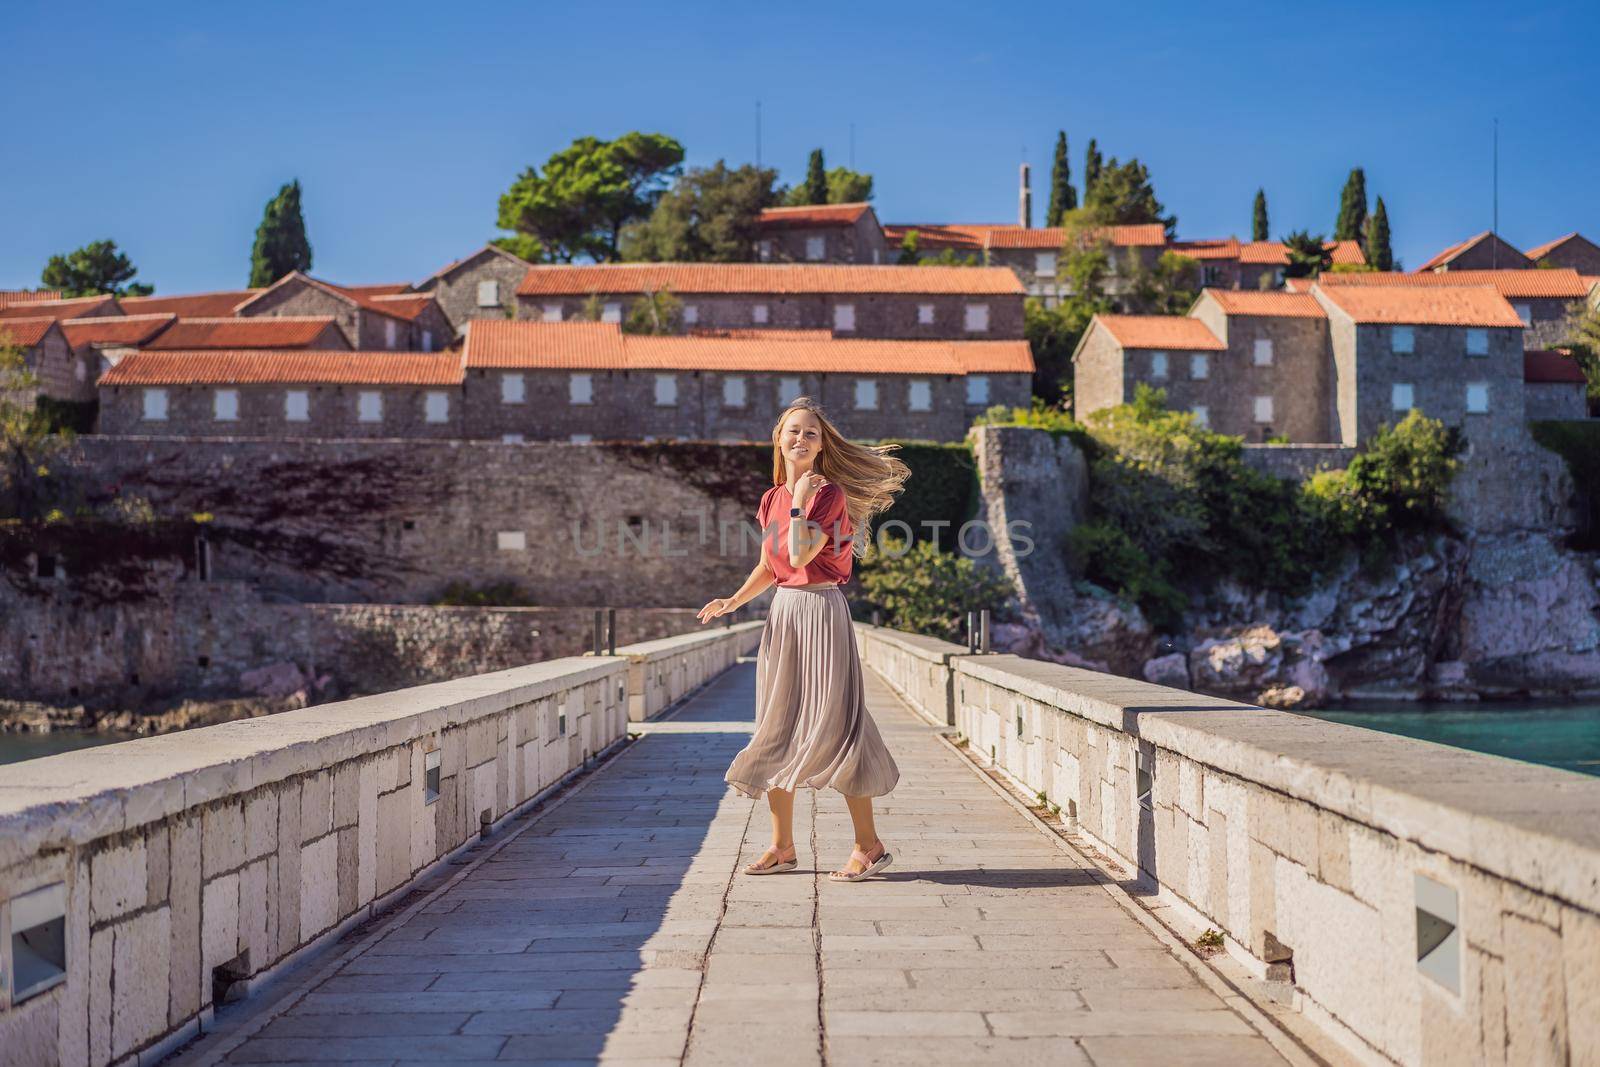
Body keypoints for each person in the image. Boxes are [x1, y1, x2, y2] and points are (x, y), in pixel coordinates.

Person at [697, 396, 910, 882]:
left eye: (810, 433)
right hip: (785, 615)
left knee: (835, 727)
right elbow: (769, 566)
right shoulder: (771, 497)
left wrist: (798, 502)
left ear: (820, 446)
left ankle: (868, 845)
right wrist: (732, 600)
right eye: (792, 431)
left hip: (821, 612)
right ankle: (782, 847)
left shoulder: (827, 494)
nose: (800, 439)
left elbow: (797, 553)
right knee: (775, 726)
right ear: (779, 439)